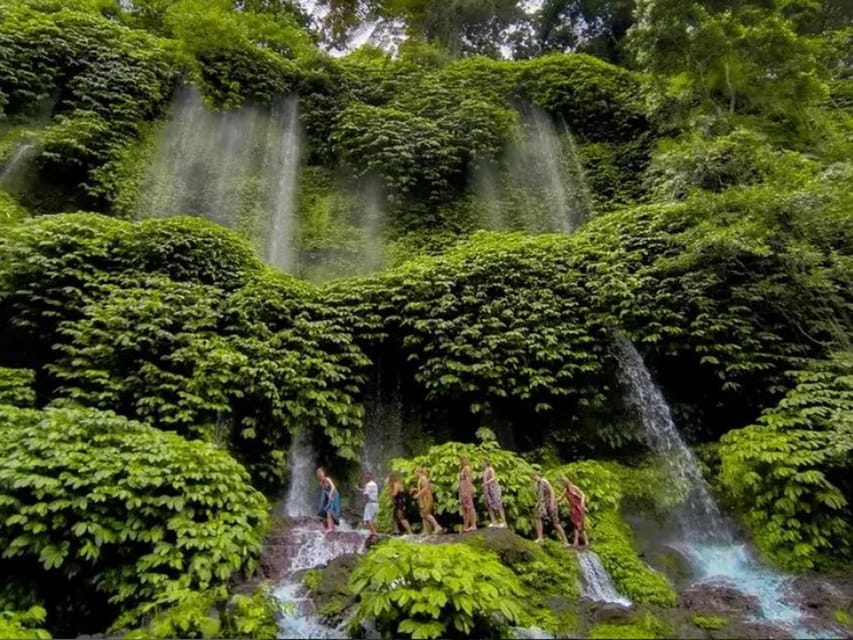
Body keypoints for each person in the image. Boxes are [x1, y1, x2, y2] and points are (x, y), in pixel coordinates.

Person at [532, 469, 569, 546]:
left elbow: (552, 491)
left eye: (534, 477)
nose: (533, 479)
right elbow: (539, 496)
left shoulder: (544, 481)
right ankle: (540, 538)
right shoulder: (536, 484)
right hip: (543, 504)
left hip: (551, 503)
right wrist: (538, 504)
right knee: (537, 517)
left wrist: (552, 503)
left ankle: (565, 541)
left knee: (555, 523)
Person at [411, 467, 444, 535]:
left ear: (418, 472)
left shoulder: (423, 478)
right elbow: (423, 488)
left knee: (426, 514)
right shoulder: (421, 479)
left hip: (427, 498)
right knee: (423, 515)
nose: (414, 474)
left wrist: (418, 495)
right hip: (423, 498)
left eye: (415, 472)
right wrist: (416, 489)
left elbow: (426, 488)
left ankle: (437, 526)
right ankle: (426, 531)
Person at [560, 476, 588, 547]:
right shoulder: (566, 490)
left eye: (563, 482)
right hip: (573, 509)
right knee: (576, 524)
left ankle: (580, 541)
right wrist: (553, 500)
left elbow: (582, 495)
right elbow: (560, 498)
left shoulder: (574, 487)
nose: (563, 484)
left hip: (579, 507)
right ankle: (580, 542)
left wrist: (582, 502)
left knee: (580, 524)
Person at [482, 460, 507, 528]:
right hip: (487, 489)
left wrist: (486, 483)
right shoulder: (484, 470)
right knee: (489, 505)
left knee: (498, 505)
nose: (482, 464)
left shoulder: (490, 469)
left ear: (486, 463)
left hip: (493, 488)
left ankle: (504, 522)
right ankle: (494, 521)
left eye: (483, 462)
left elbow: (494, 478)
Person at [316, 467, 340, 533]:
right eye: (319, 474)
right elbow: (324, 492)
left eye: (321, 473)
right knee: (324, 514)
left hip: (334, 495)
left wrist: (330, 495)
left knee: (329, 511)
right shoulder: (321, 482)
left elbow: (333, 487)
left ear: (323, 474)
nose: (320, 475)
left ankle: (330, 529)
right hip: (328, 496)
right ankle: (333, 528)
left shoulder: (327, 479)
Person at [458, 457, 477, 532]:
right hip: (463, 488)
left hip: (466, 488)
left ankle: (473, 524)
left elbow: (469, 480)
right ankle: (467, 525)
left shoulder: (467, 468)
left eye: (461, 460)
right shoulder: (462, 469)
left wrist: (469, 490)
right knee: (465, 507)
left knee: (470, 507)